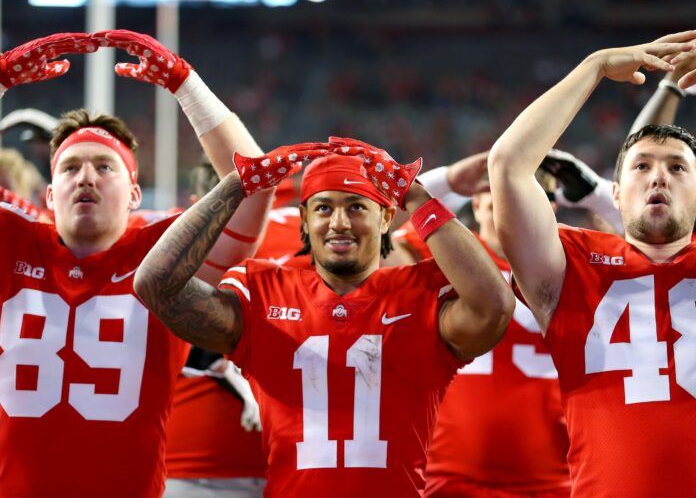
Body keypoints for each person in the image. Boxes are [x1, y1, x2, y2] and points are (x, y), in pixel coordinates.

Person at [133, 135, 515, 496]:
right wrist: (237, 185)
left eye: (356, 206)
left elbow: (495, 306)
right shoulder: (263, 293)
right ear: (304, 219)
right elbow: (155, 285)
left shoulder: (421, 293)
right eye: (323, 207)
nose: (339, 223)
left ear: (385, 218)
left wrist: (416, 197)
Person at [0, 31, 276, 497]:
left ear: (133, 194)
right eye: (70, 168)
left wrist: (187, 87)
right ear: (49, 195)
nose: (86, 176)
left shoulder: (163, 248)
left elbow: (254, 184)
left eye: (105, 167)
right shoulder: (14, 238)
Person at [487, 31, 696, 497]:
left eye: (678, 168)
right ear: (615, 194)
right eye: (641, 167)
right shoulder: (574, 266)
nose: (659, 174)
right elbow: (508, 165)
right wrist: (595, 66)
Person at [390, 166, 571, 497]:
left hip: (552, 480)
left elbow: (644, 253)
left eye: (521, 198)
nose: (509, 211)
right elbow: (381, 229)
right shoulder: (445, 255)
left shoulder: (574, 266)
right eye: (497, 199)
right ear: (475, 204)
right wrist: (450, 180)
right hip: (448, 477)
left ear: (549, 208)